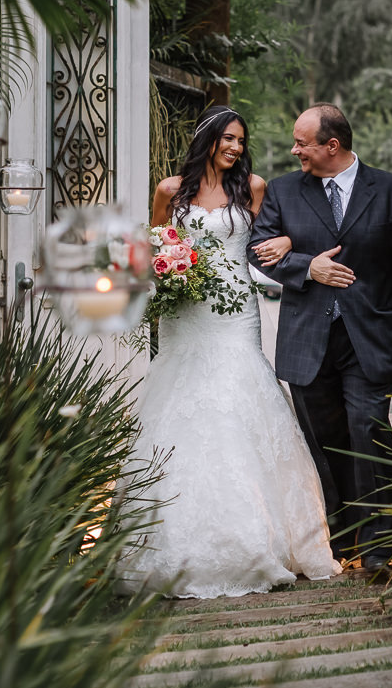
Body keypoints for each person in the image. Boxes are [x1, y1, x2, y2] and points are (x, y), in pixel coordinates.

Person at [118, 105, 342, 598]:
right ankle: (173, 535)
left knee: (237, 400)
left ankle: (260, 536)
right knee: (183, 405)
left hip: (234, 309)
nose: (237, 148)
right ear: (209, 139)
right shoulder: (169, 191)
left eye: (242, 140)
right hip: (186, 313)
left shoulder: (254, 188)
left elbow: (276, 237)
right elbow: (154, 246)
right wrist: (165, 276)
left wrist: (286, 238)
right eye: (229, 139)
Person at [248, 103, 392, 574]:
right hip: (308, 340)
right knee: (322, 443)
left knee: (370, 436)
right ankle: (340, 538)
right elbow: (259, 250)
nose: (294, 150)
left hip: (370, 336)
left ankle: (377, 548)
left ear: (332, 145)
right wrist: (307, 264)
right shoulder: (285, 191)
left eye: (302, 143)